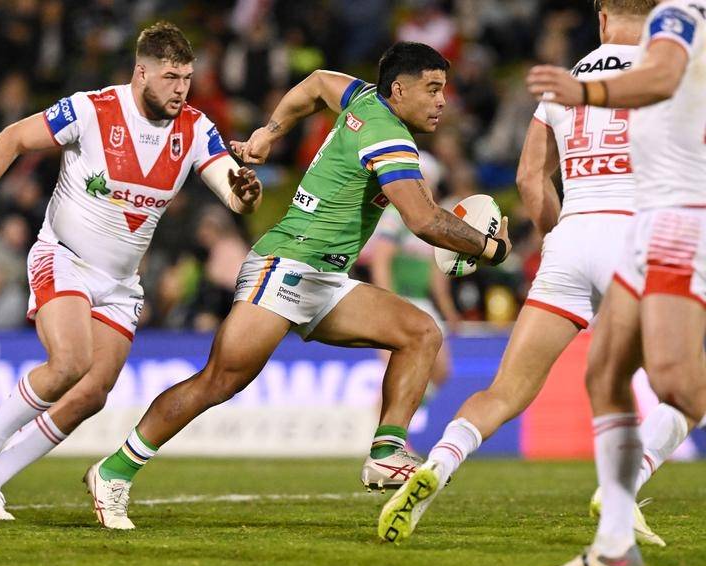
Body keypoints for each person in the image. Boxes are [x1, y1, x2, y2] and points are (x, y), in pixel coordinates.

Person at [83, 41, 512, 530]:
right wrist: (490, 248)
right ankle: (115, 470)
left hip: (324, 276)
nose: (442, 101)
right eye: (432, 89)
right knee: (219, 381)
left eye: (444, 90)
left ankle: (386, 451)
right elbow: (422, 219)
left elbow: (314, 84)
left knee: (421, 333)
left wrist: (268, 133)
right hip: (287, 265)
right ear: (400, 89)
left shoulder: (362, 99)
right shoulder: (388, 137)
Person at [377, 0, 691, 550]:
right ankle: (623, 485)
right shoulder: (675, 72)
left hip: (572, 240)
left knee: (505, 391)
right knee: (689, 386)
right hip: (637, 238)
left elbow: (529, 179)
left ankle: (440, 464)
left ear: (601, 18)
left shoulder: (565, 86)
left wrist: (554, 233)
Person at [0, 22, 262, 520]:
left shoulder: (196, 129)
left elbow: (231, 187)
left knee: (91, 393)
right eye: (171, 77)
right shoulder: (91, 110)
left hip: (119, 283)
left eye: (187, 78)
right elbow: (13, 137)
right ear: (142, 72)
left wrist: (244, 194)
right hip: (64, 256)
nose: (182, 88)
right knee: (69, 363)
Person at [525, 0, 706, 566]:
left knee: (678, 384)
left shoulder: (680, 16)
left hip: (679, 221)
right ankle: (614, 545)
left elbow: (663, 76)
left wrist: (587, 94)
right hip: (646, 222)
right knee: (603, 373)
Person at [368, 152, 459, 427]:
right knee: (397, 370)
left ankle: (396, 425)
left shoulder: (431, 220)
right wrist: (388, 301)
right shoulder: (396, 216)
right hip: (400, 299)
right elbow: (380, 260)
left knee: (440, 370)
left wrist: (448, 310)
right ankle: (386, 436)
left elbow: (435, 275)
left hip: (421, 302)